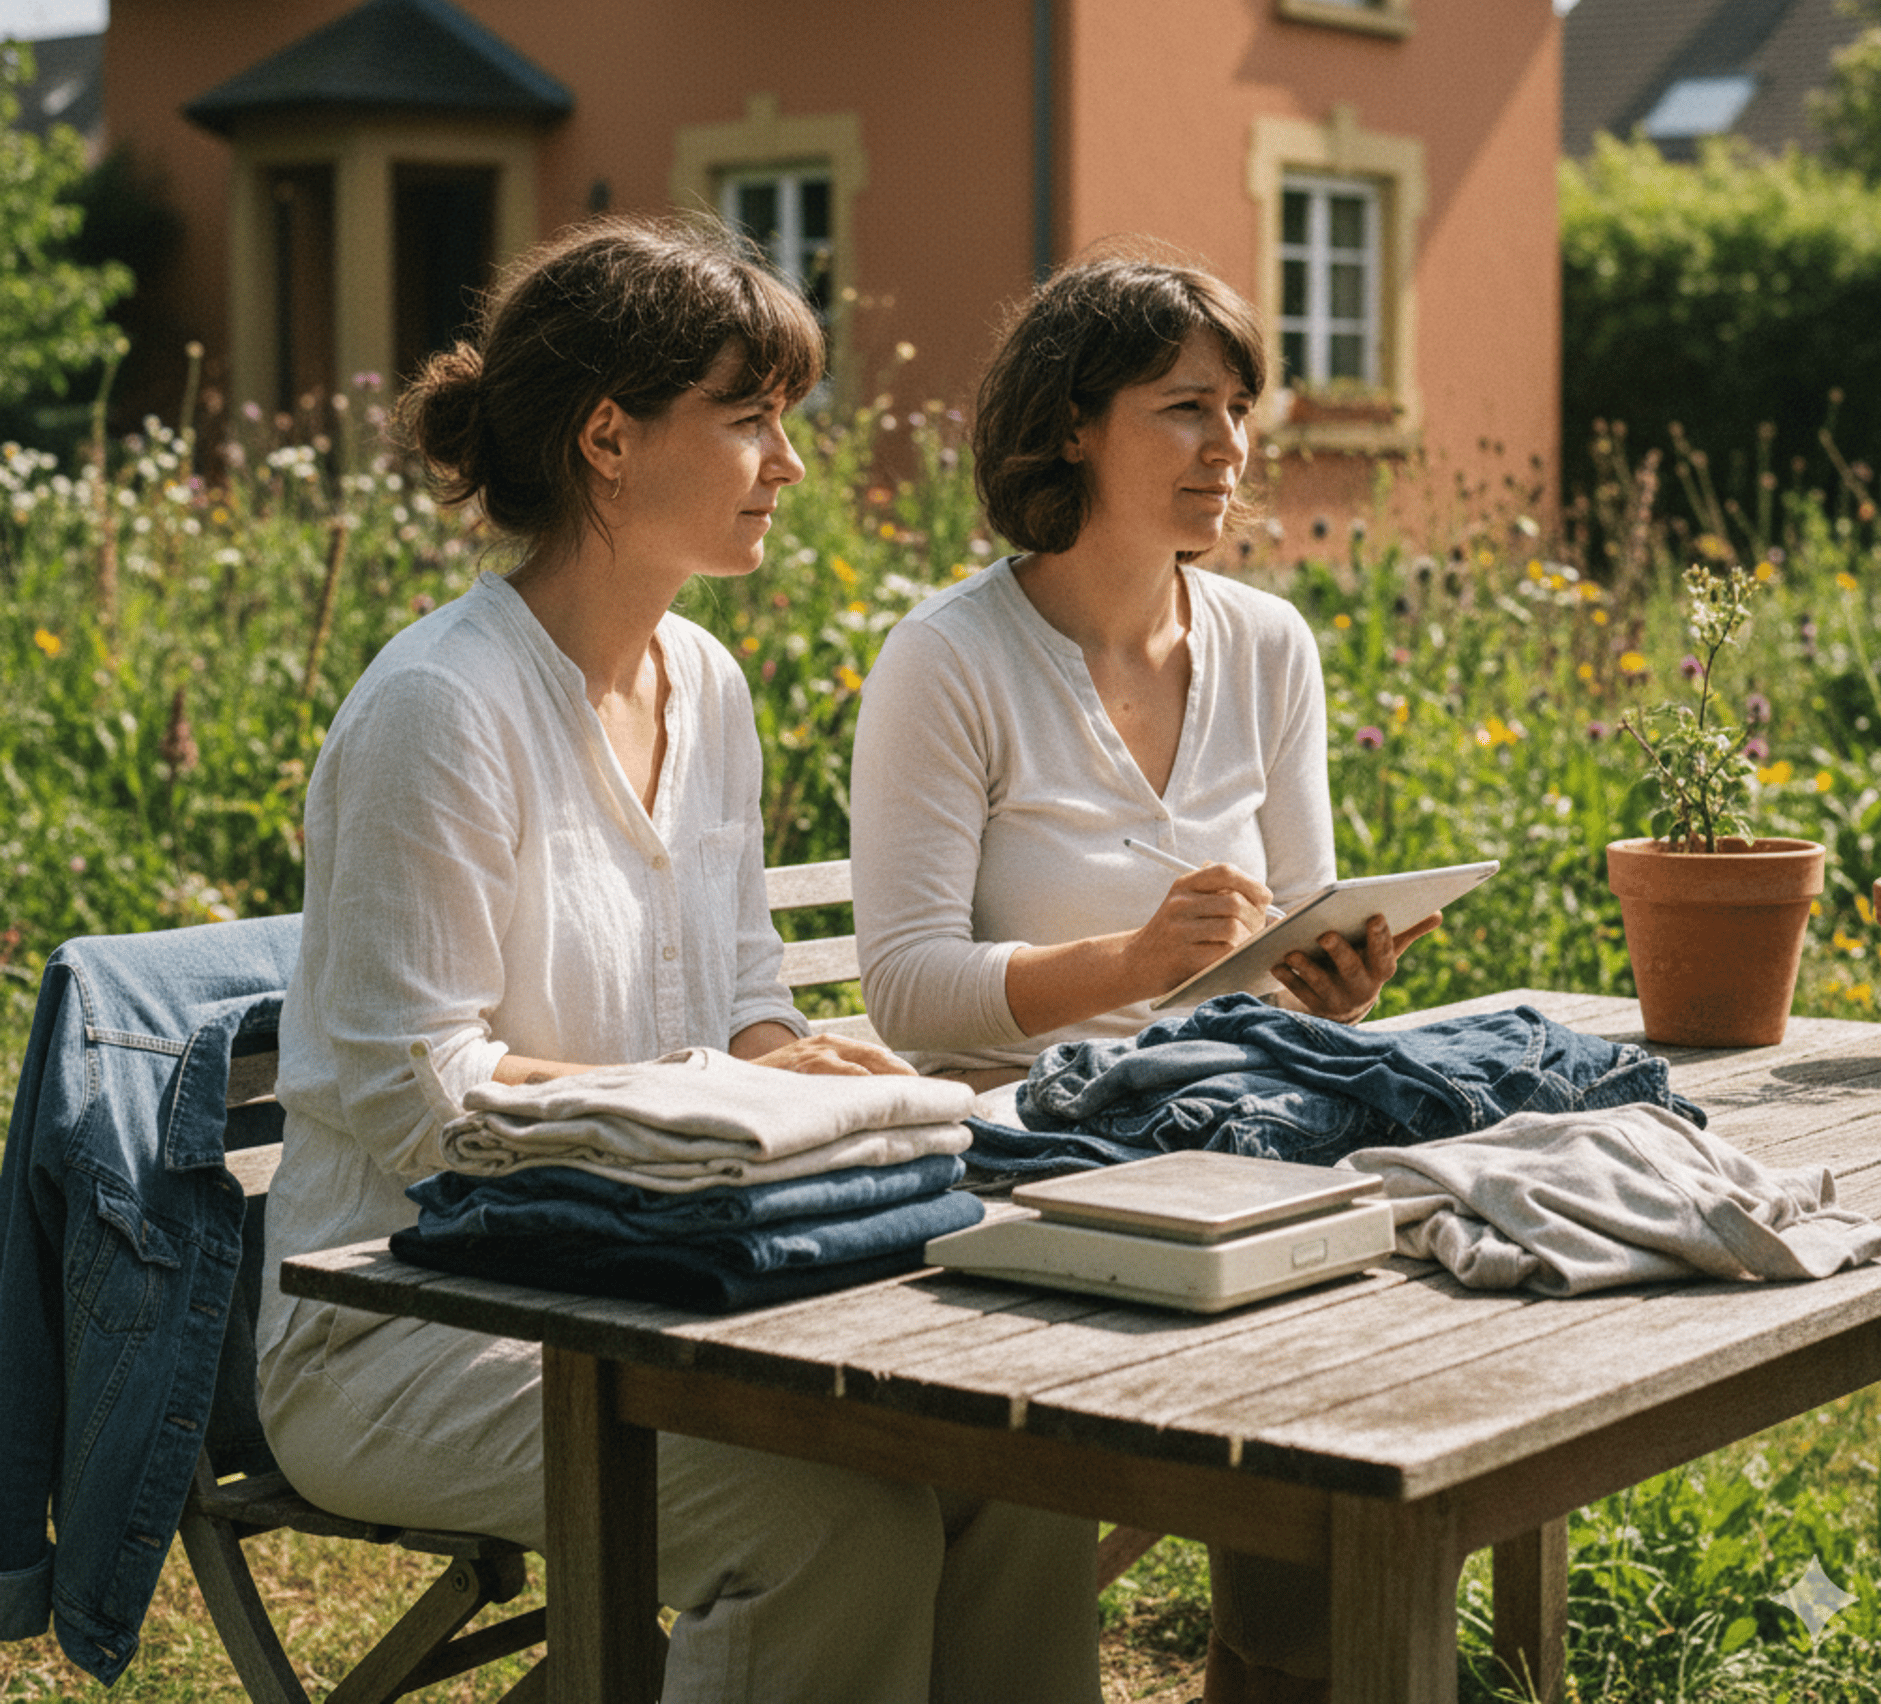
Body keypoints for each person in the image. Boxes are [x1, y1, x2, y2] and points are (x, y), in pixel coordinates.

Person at [257, 214, 1099, 1704]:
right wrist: (703, 1110)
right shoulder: (438, 712)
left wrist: (798, 1066)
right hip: (409, 1321)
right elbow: (414, 1102)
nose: (791, 463)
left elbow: (744, 995)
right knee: (826, 1517)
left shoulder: (703, 679)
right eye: (751, 418)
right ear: (608, 439)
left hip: (667, 1280)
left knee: (1016, 1466)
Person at [848, 249, 1439, 1701]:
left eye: (1240, 407)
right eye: (1185, 408)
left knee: (1388, 1390)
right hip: (1023, 1162)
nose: (1229, 448)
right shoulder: (951, 660)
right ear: (1071, 426)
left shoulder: (1267, 646)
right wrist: (1129, 959)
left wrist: (1333, 980)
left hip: (1230, 1138)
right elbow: (906, 993)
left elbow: (1298, 916)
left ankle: (1295, 1657)